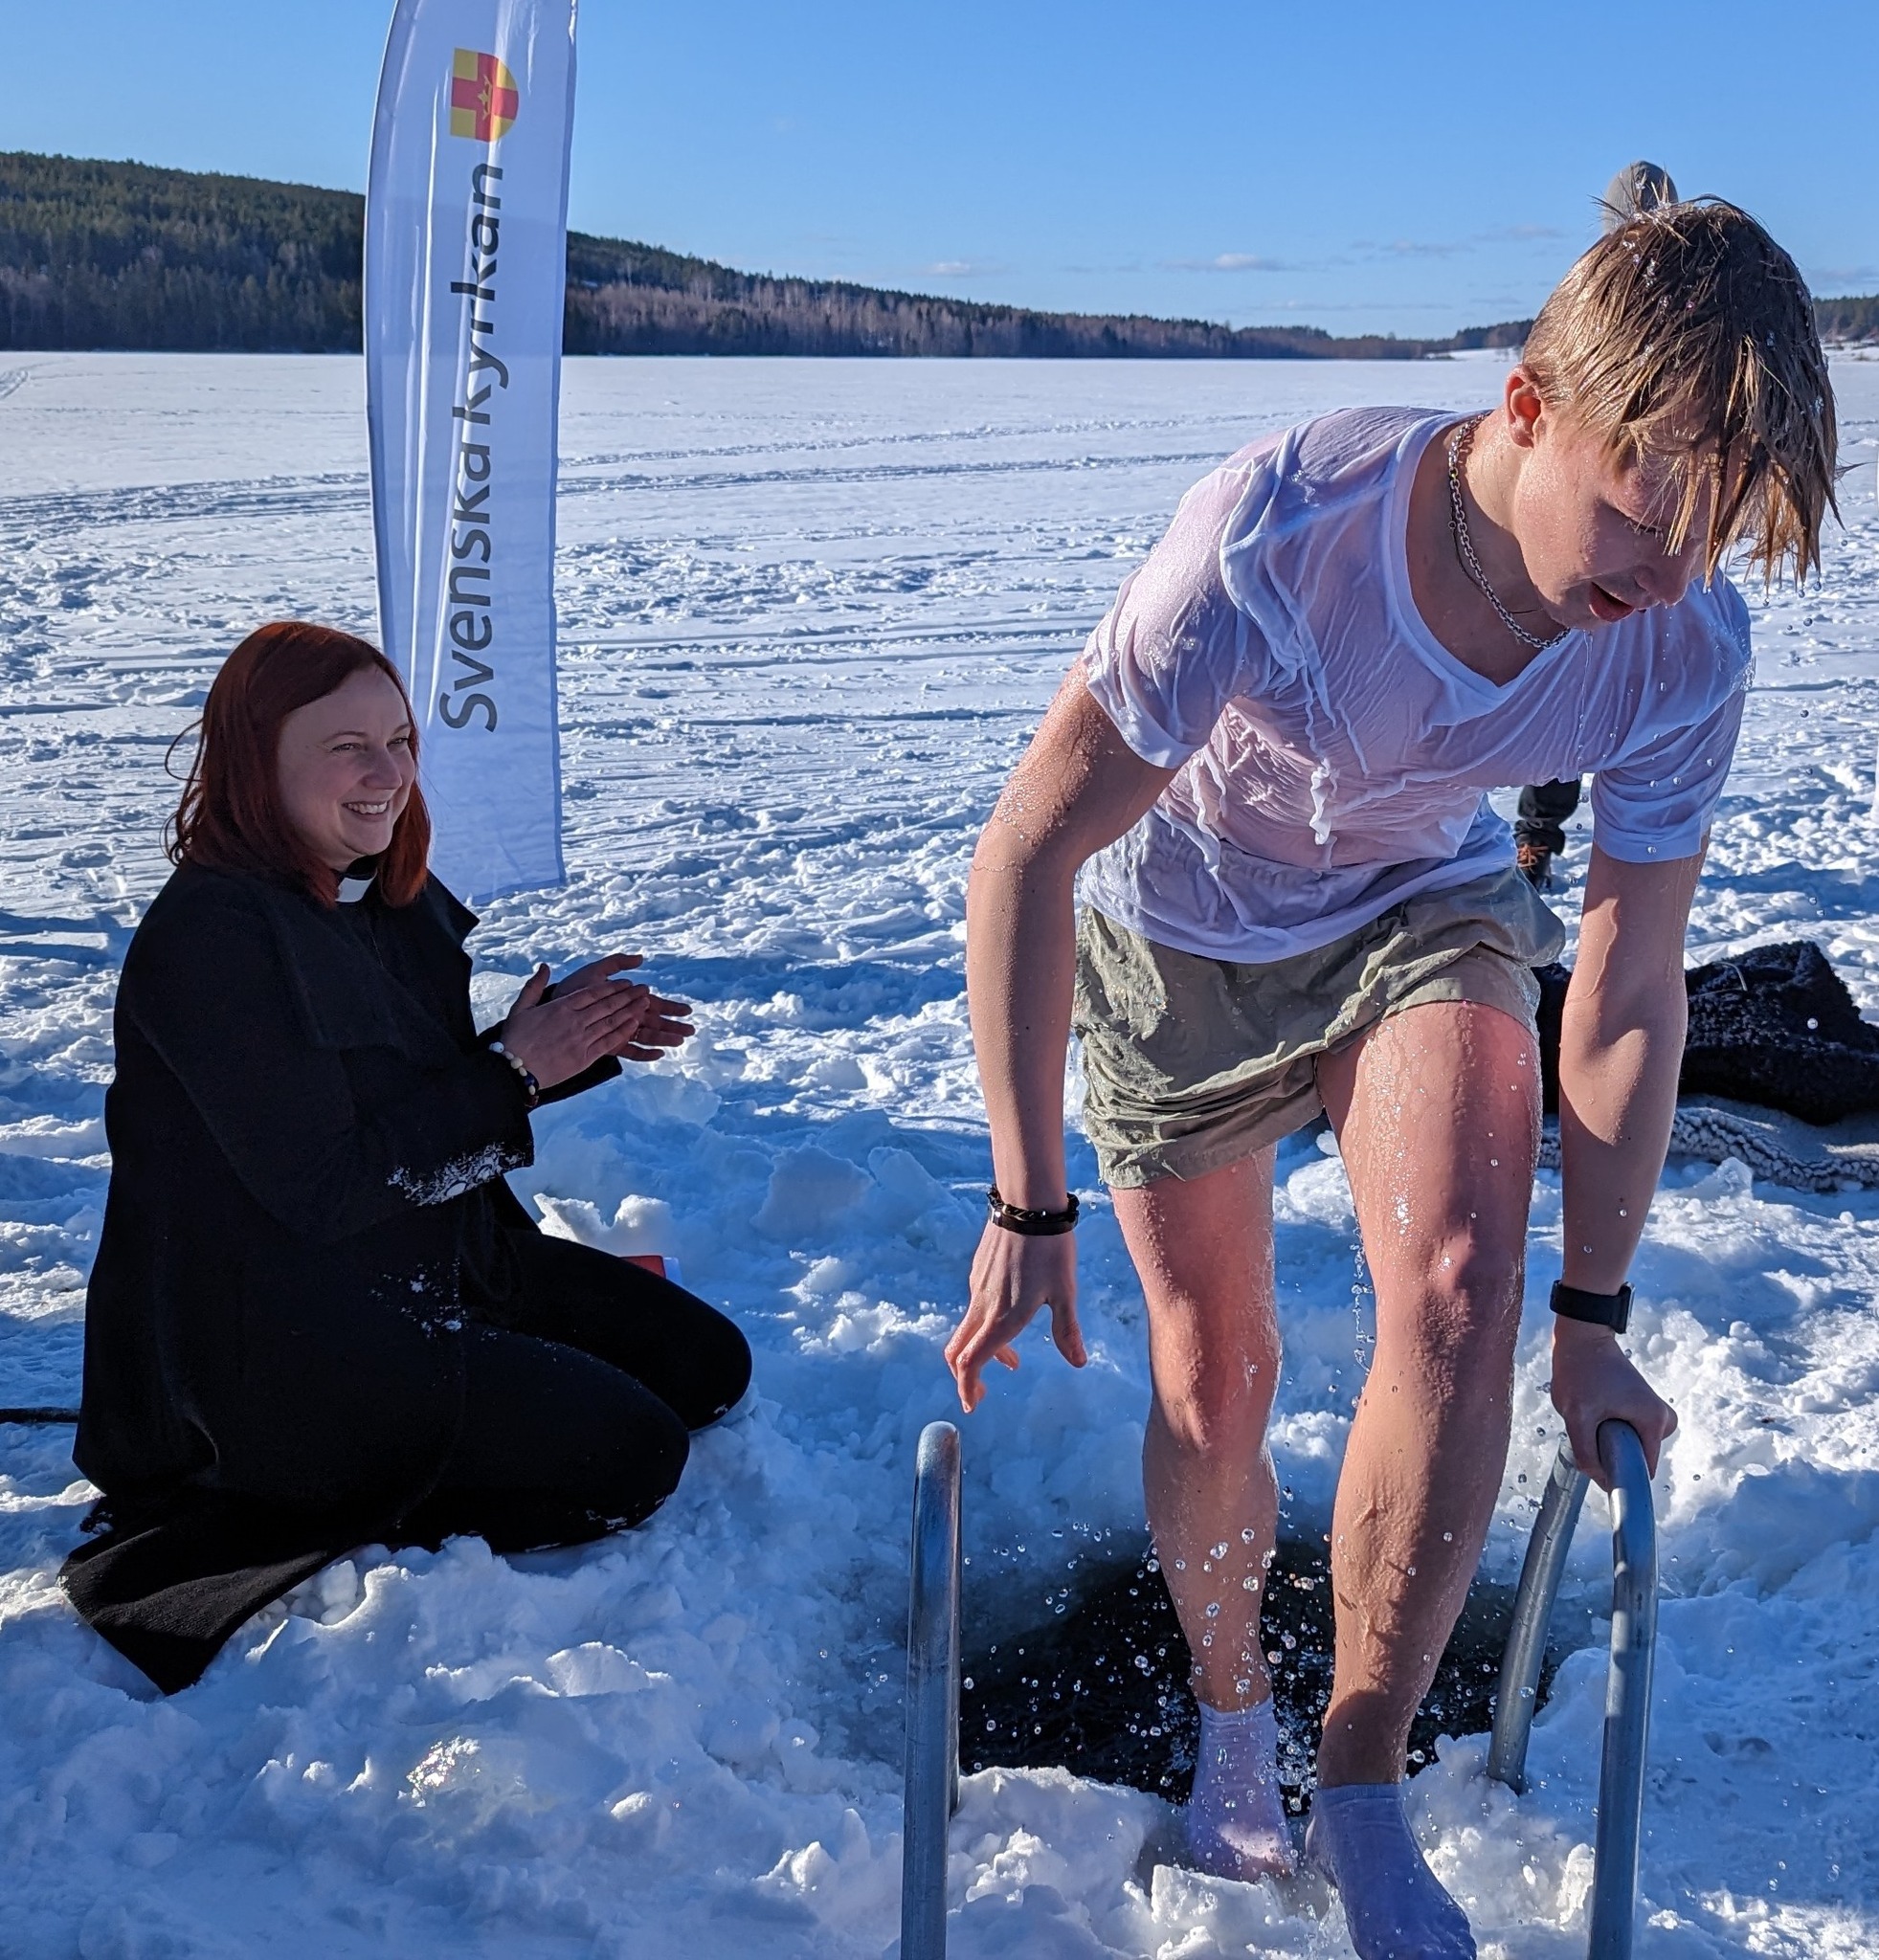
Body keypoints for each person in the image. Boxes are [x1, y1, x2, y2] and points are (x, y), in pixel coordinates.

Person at [945, 201, 1834, 1958]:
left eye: (1715, 528)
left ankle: (1357, 1772)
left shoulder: (1678, 647)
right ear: (1522, 406)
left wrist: (1592, 1307)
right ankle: (1224, 1721)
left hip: (1417, 911)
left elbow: (1631, 981)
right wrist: (1021, 1189)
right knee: (1216, 1372)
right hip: (1177, 937)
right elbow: (1029, 849)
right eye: (1645, 500)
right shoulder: (1284, 532)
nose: (1668, 569)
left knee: (1454, 1285)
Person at [62, 622, 751, 1694]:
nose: (387, 774)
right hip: (282, 1348)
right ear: (258, 757)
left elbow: (397, 1096)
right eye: (346, 746)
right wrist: (512, 1074)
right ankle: (373, 1478)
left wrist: (552, 1048)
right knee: (633, 1453)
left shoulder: (376, 890)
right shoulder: (213, 938)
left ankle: (483, 1371)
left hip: (436, 1264)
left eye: (399, 739)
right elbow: (324, 1183)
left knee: (708, 1366)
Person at [1515, 159, 1680, 890]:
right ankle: (1534, 836)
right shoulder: (1592, 311)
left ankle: (1591, 839)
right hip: (1586, 548)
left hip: (1637, 559)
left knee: (1605, 708)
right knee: (1554, 689)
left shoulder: (1695, 322)